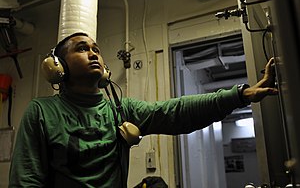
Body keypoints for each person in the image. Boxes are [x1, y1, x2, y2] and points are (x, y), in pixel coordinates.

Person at [8, 32, 278, 188]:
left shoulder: (119, 109)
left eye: (96, 49)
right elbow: (26, 180)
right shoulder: (42, 111)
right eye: (82, 49)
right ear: (58, 67)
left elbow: (176, 112)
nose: (94, 54)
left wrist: (241, 94)